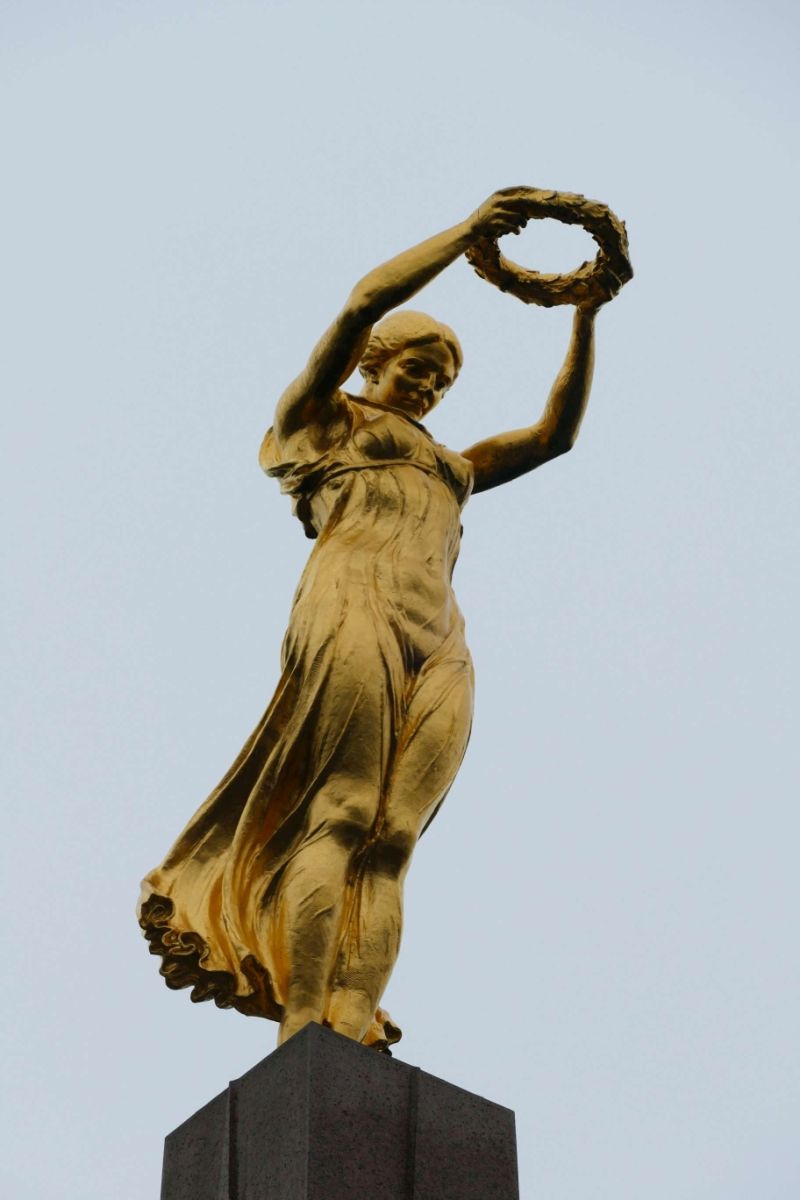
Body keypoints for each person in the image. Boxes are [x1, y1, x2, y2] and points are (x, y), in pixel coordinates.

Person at [138, 189, 601, 1051]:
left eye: (443, 380)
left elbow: (556, 436)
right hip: (352, 602)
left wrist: (586, 312)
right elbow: (361, 303)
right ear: (374, 364)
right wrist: (469, 233)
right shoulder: (320, 422)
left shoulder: (453, 466)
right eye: (417, 367)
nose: (429, 386)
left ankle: (352, 1021)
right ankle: (302, 1023)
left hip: (440, 635)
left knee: (393, 836)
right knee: (344, 812)